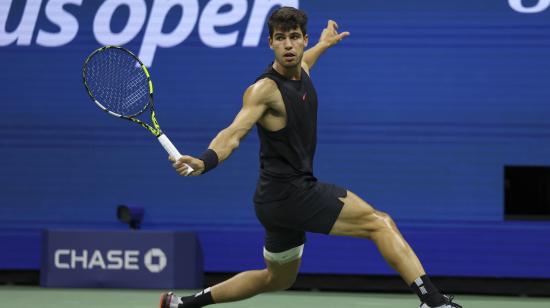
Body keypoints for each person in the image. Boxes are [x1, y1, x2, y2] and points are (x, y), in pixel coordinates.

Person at [160, 6, 461, 308]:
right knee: (379, 222)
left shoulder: (302, 67)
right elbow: (234, 132)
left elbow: (309, 59)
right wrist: (205, 160)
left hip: (271, 201)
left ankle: (183, 305)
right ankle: (433, 301)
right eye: (280, 38)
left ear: (303, 39)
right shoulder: (263, 90)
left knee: (276, 279)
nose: (288, 45)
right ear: (271, 43)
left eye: (294, 37)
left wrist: (325, 43)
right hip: (291, 193)